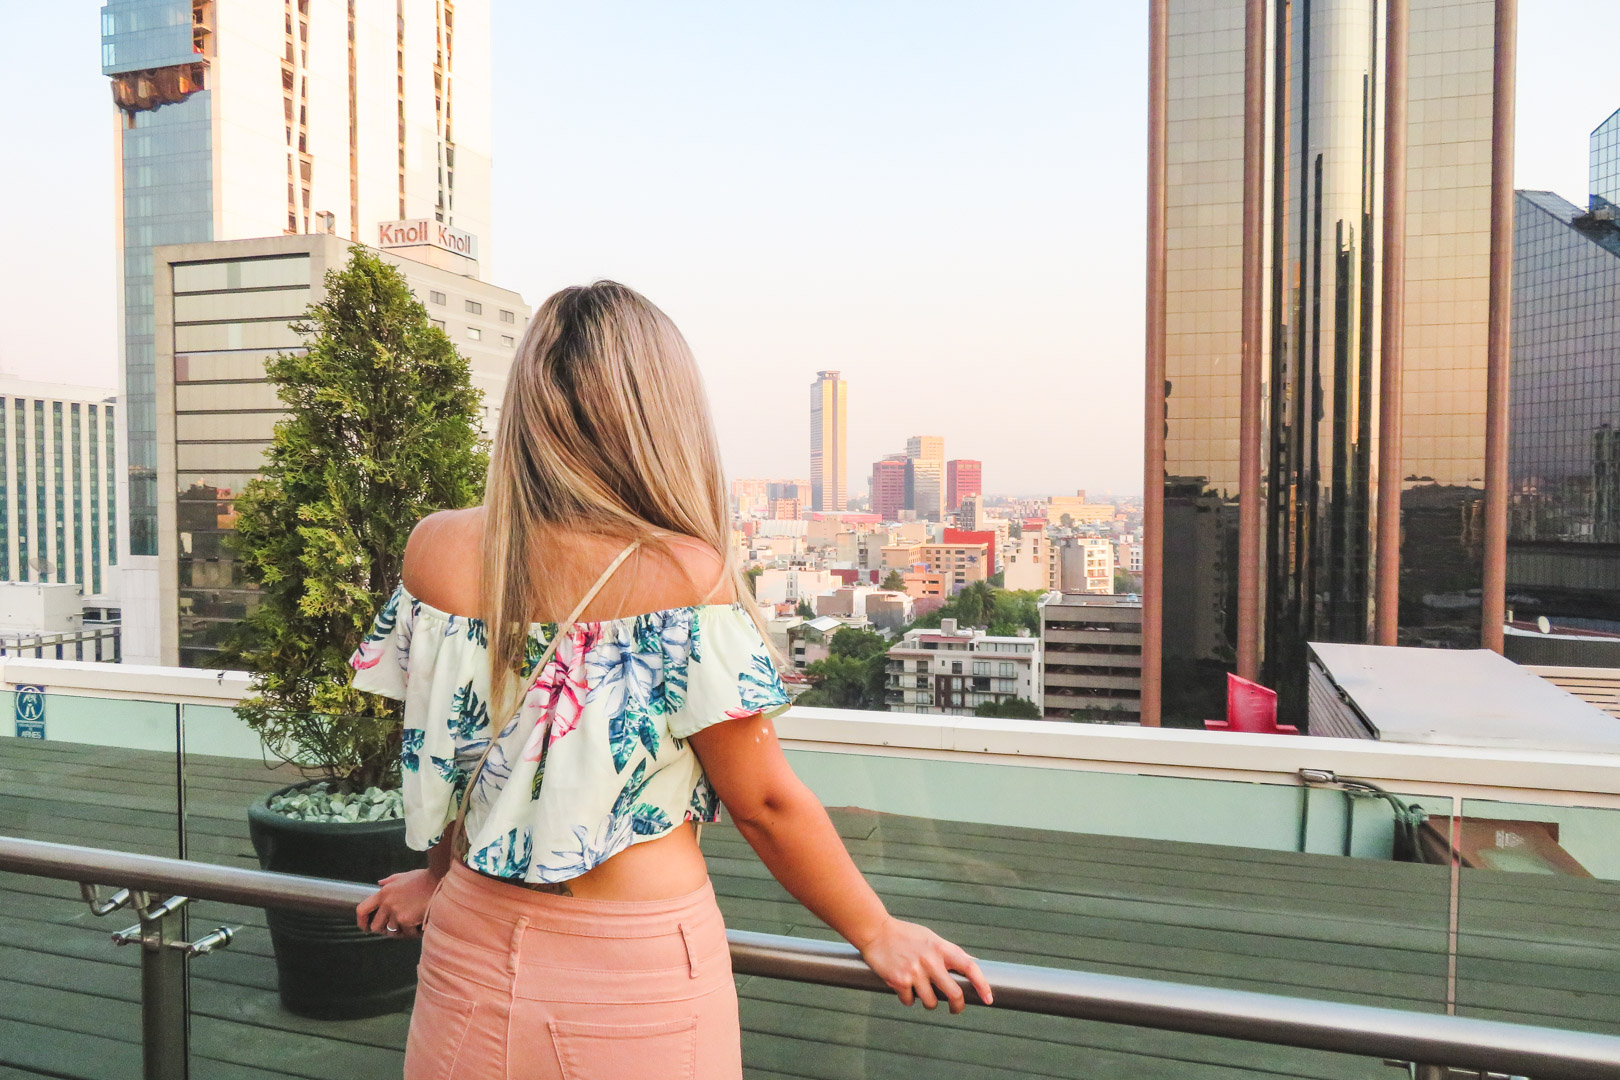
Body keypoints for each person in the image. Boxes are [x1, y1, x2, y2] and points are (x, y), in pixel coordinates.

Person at [349, 281, 991, 1080]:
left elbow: (468, 751)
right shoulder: (684, 573)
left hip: (468, 940)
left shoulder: (435, 551)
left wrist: (437, 877)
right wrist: (875, 929)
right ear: (657, 413)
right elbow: (763, 802)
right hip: (630, 972)